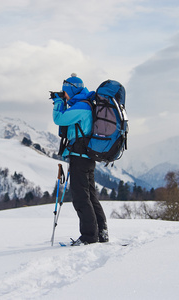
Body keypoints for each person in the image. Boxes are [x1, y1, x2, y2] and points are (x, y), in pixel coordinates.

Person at [52, 73, 109, 246]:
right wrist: (63, 101)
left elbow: (58, 119)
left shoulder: (82, 107)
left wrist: (57, 102)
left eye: (65, 92)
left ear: (71, 90)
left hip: (80, 157)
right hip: (86, 157)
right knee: (90, 196)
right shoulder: (85, 104)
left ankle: (89, 236)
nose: (65, 95)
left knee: (81, 198)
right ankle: (101, 233)